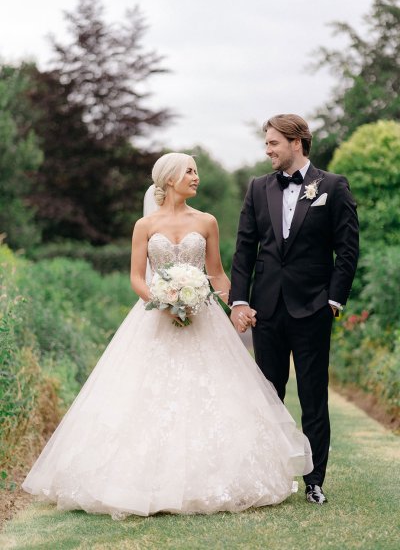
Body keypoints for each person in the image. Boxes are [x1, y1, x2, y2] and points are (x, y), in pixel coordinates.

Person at [22, 152, 313, 520]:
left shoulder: (206, 221)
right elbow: (136, 277)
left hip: (202, 317)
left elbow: (217, 274)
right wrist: (162, 299)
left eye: (196, 170)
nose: (196, 176)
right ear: (170, 178)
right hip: (155, 317)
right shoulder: (145, 225)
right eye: (190, 171)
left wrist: (235, 305)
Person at [230, 114, 359, 504]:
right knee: (268, 395)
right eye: (266, 143)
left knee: (313, 396)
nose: (267, 150)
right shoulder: (257, 188)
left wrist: (333, 301)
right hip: (266, 310)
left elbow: (348, 249)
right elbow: (244, 250)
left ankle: (314, 480)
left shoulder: (332, 187)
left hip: (313, 308)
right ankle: (271, 477)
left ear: (297, 142)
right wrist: (239, 300)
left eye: (273, 143)